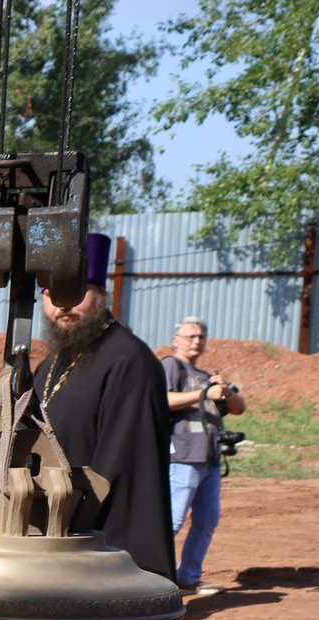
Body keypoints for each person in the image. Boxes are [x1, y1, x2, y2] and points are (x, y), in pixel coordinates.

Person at [31, 233, 176, 579]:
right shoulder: (49, 363)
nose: (63, 305)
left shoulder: (129, 360)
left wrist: (79, 529)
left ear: (101, 294)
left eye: (77, 292)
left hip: (103, 545)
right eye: (52, 295)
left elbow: (123, 469)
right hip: (56, 532)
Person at [159, 317, 245, 594]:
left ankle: (188, 578)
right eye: (191, 336)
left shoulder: (206, 375)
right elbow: (163, 399)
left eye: (201, 337)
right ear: (176, 340)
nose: (197, 341)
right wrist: (205, 392)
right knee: (172, 521)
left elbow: (239, 408)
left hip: (209, 458)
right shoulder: (170, 366)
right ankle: (154, 578)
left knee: (207, 520)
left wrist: (226, 390)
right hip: (183, 455)